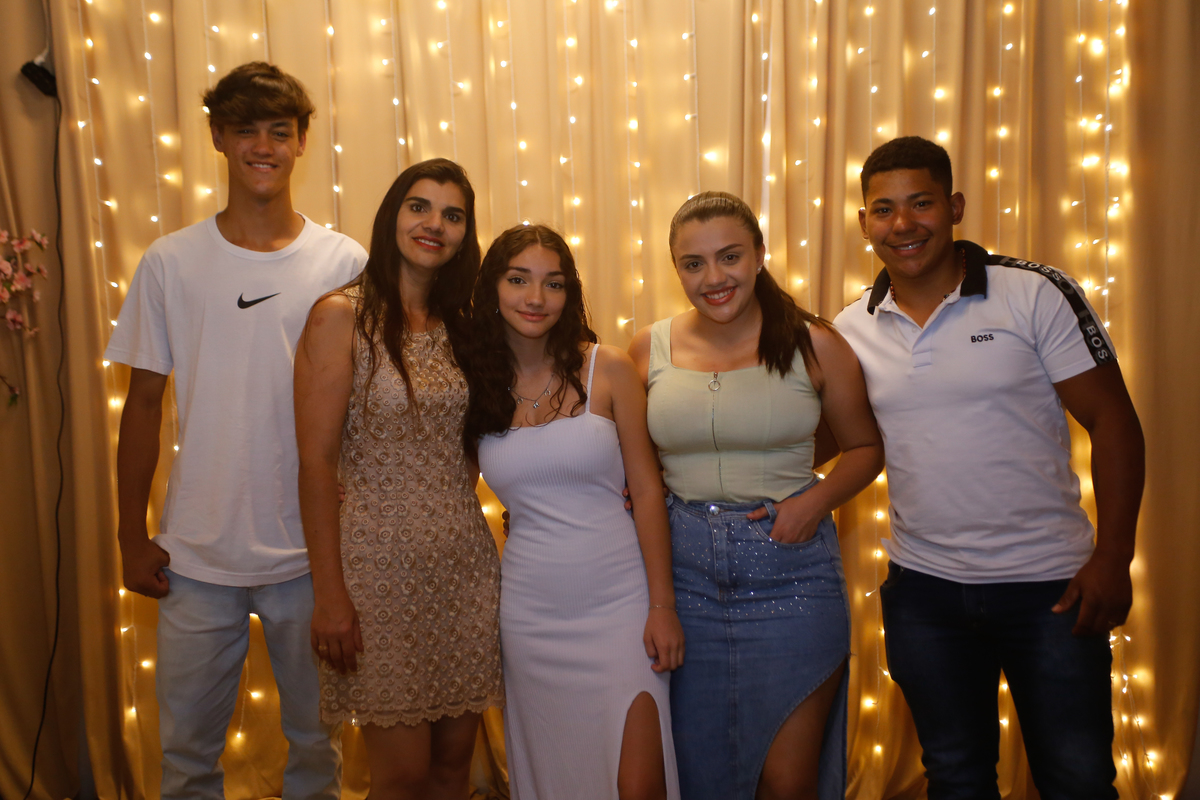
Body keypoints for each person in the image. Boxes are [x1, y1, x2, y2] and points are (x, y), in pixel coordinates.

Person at [834, 135, 1145, 800]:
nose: (902, 223)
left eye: (920, 203)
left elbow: (1114, 421)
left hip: (1051, 590)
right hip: (924, 594)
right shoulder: (851, 328)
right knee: (955, 779)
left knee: (1078, 780)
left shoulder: (1033, 293)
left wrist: (1114, 557)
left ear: (954, 207)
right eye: (883, 209)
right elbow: (823, 442)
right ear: (864, 223)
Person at [106, 62, 366, 797]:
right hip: (195, 558)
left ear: (302, 141)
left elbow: (371, 410)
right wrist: (130, 535)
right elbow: (143, 406)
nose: (263, 146)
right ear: (218, 137)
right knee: (186, 762)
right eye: (245, 130)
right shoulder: (171, 261)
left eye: (279, 131)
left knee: (318, 755)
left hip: (313, 557)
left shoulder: (345, 261)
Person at [628, 192, 885, 800]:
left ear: (760, 254)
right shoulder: (646, 349)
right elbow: (628, 463)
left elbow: (865, 448)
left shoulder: (815, 344)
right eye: (693, 264)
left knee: (786, 782)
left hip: (792, 576)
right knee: (701, 777)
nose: (714, 278)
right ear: (675, 269)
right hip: (681, 579)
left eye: (730, 257)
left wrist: (813, 503)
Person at [294, 158, 503, 800]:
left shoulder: (467, 327)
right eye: (420, 207)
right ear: (392, 216)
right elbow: (314, 463)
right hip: (376, 574)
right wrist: (330, 594)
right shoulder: (341, 316)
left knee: (452, 770)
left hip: (464, 568)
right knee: (402, 777)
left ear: (465, 235)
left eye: (452, 215)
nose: (434, 224)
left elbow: (486, 440)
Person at [465, 224, 684, 800]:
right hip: (530, 614)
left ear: (570, 293)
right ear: (492, 289)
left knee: (639, 786)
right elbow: (446, 485)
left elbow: (648, 493)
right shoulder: (474, 387)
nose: (536, 298)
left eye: (554, 283)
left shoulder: (606, 367)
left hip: (621, 603)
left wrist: (662, 606)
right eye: (519, 280)